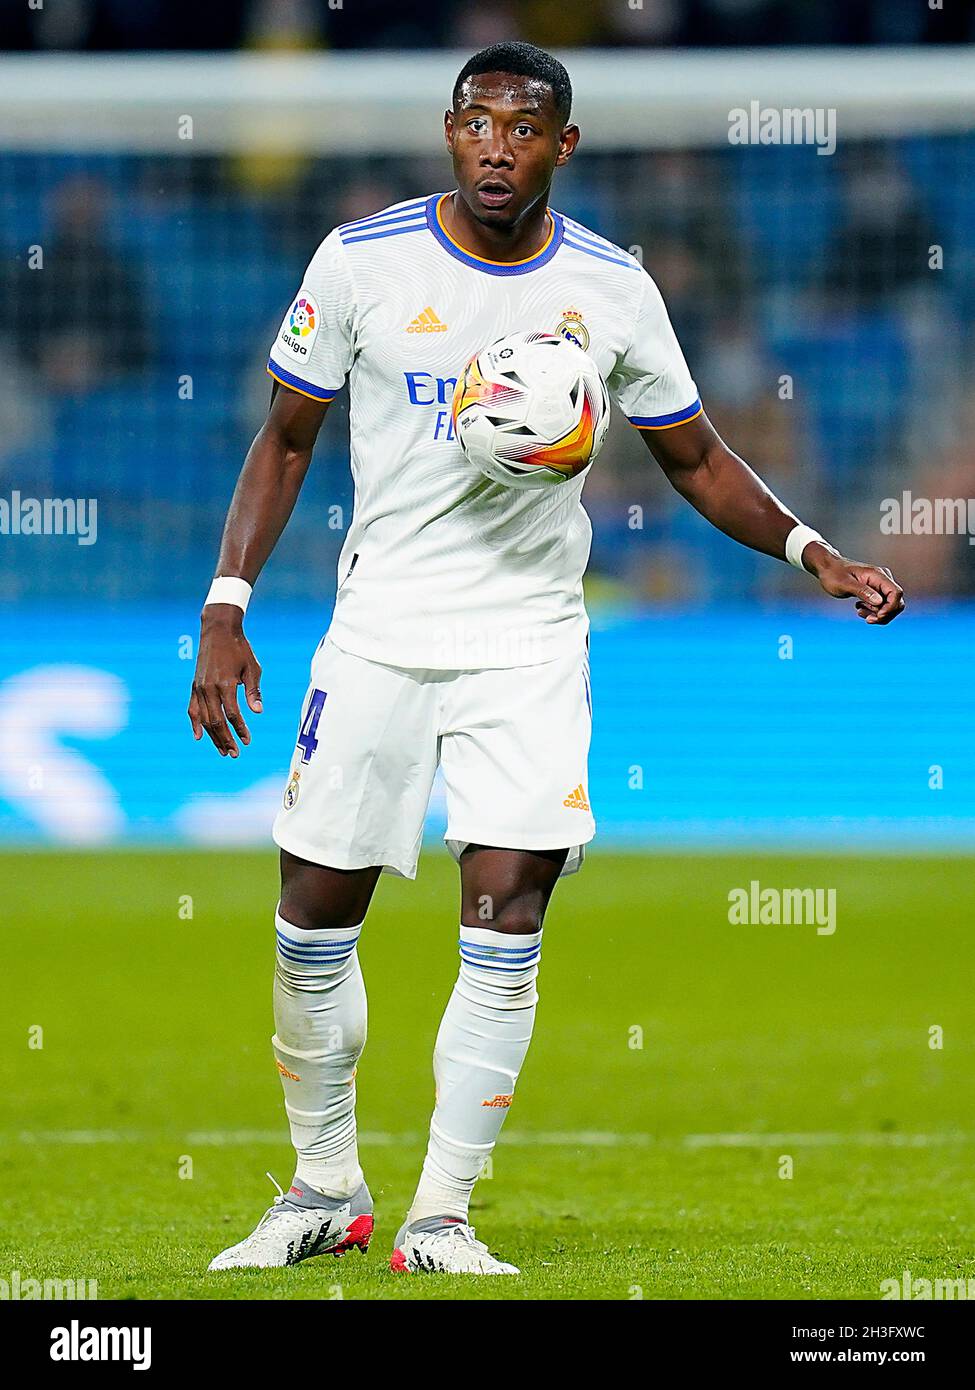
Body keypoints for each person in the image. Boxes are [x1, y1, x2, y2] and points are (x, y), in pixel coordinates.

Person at [188, 41, 904, 1277]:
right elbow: (286, 439)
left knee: (506, 912)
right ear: (448, 131)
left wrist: (811, 551)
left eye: (526, 128)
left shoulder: (613, 289)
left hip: (527, 638)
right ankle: (323, 1186)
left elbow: (694, 457)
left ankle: (441, 1215)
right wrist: (225, 604)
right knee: (313, 917)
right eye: (478, 122)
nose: (498, 146)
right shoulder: (361, 262)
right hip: (377, 633)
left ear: (563, 146)